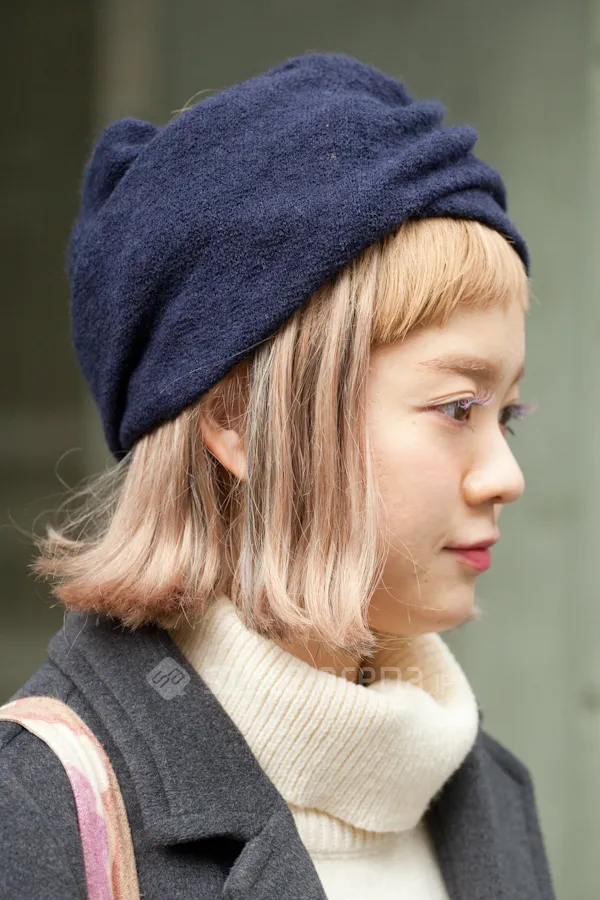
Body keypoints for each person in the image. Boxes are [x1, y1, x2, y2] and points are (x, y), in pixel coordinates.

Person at [0, 52, 555, 900]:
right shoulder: (35, 816)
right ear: (238, 422)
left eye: (506, 414)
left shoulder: (489, 795)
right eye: (456, 408)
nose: (504, 477)